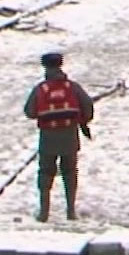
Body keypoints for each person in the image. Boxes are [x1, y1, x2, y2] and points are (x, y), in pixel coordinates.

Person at [23, 52, 95, 222]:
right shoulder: (72, 87)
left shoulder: (41, 89)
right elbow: (88, 107)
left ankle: (44, 212)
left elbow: (30, 112)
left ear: (45, 67)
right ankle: (70, 211)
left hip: (48, 138)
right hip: (69, 135)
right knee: (70, 172)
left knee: (46, 172)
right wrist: (82, 122)